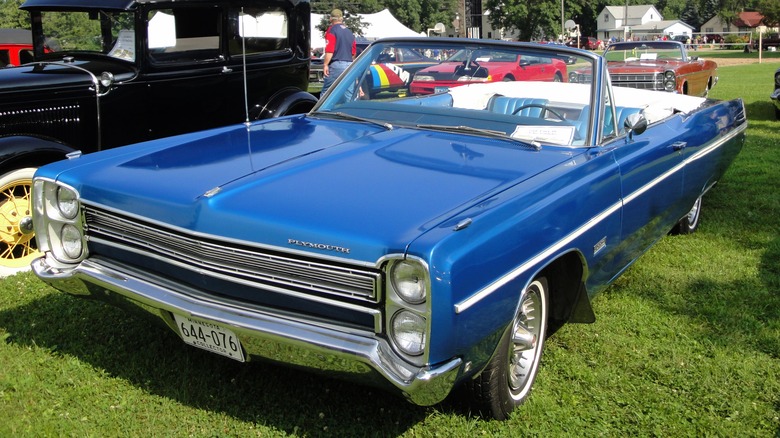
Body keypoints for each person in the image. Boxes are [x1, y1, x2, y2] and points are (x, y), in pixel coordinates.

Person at [320, 9, 356, 99]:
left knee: (326, 93)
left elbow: (330, 50)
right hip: (349, 64)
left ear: (331, 19)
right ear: (341, 19)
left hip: (336, 64)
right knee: (349, 95)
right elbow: (353, 52)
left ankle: (322, 108)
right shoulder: (349, 32)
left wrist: (325, 64)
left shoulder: (331, 31)